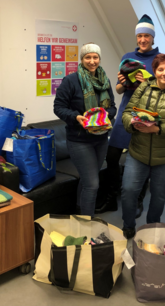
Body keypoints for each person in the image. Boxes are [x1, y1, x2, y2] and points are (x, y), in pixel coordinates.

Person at [96, 14, 160, 217]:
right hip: (125, 113)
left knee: (143, 159)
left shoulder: (160, 60)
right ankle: (112, 198)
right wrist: (123, 82)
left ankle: (138, 199)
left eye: (146, 36)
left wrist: (145, 83)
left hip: (145, 114)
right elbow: (118, 90)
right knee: (112, 157)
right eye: (140, 36)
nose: (143, 40)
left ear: (152, 38)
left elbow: (162, 93)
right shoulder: (127, 57)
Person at [121, 54, 165, 239]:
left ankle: (151, 229)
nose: (164, 73)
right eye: (160, 69)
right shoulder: (144, 86)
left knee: (159, 196)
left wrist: (157, 130)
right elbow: (127, 112)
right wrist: (132, 124)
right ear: (155, 71)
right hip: (138, 151)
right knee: (128, 191)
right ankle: (128, 225)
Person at [53, 43, 117, 217]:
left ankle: (80, 211)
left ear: (99, 59)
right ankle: (88, 226)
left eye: (95, 57)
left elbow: (112, 107)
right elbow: (58, 107)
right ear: (81, 60)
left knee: (88, 179)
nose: (92, 61)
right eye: (88, 57)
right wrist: (76, 117)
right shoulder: (71, 81)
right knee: (92, 184)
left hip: (101, 138)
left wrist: (105, 115)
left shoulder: (105, 80)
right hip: (79, 140)